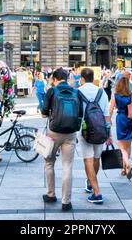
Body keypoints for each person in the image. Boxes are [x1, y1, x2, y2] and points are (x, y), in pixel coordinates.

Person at [41, 68, 82, 212]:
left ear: (54, 79)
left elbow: (44, 112)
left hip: (54, 132)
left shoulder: (51, 91)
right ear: (67, 77)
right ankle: (66, 202)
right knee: (67, 166)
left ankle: (51, 194)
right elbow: (80, 113)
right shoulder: (76, 92)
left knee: (49, 162)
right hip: (71, 133)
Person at [78, 67, 112, 204]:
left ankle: (97, 193)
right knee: (96, 158)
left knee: (88, 159)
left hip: (84, 130)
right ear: (93, 78)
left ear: (81, 78)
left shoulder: (78, 92)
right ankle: (90, 182)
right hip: (100, 129)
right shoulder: (101, 92)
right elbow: (107, 114)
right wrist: (109, 133)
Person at [110, 76, 132, 179]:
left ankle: (126, 165)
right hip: (131, 119)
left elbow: (110, 109)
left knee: (121, 146)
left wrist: (109, 120)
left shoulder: (115, 95)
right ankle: (124, 168)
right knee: (128, 146)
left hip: (121, 119)